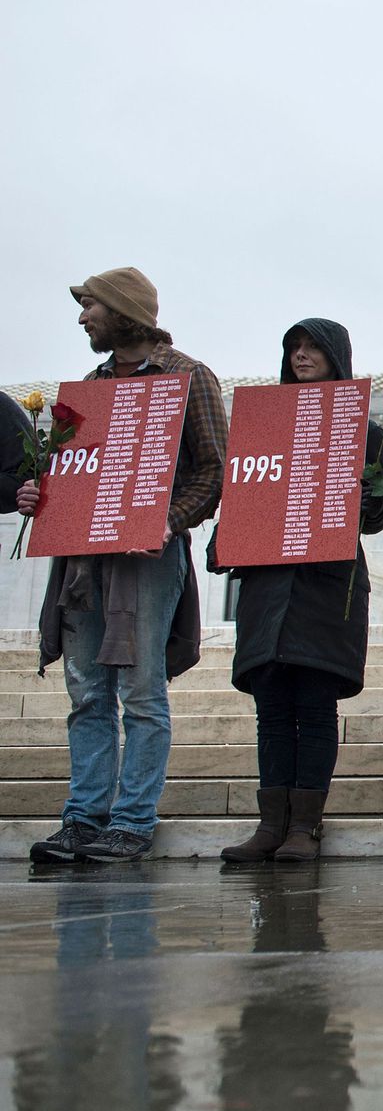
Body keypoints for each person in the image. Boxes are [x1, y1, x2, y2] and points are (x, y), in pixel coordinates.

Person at [24, 268, 225, 864]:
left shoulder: (188, 377)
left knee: (140, 694)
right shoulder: (88, 387)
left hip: (150, 558)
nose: (82, 317)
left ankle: (133, 822)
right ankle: (83, 819)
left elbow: (212, 471)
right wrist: (40, 494)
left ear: (121, 310)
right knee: (86, 693)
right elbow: (75, 477)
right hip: (86, 562)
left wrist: (165, 521)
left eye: (90, 307)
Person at [206, 319, 383, 863]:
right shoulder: (259, 426)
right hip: (269, 587)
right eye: (294, 347)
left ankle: (303, 828)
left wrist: (368, 498)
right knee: (271, 708)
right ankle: (271, 825)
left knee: (313, 706)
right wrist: (227, 541)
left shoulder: (366, 431)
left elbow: (376, 520)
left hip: (324, 588)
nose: (302, 356)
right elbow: (244, 494)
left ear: (338, 357)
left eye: (313, 347)